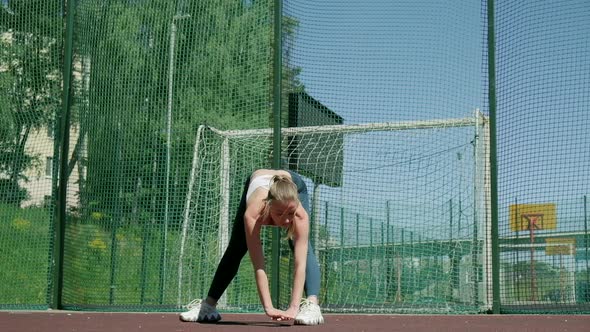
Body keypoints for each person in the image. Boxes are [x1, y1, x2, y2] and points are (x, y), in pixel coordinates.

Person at [180, 169, 324, 325]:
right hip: (256, 181)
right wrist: (268, 308)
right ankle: (208, 306)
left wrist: (293, 308)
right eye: (280, 213)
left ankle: (312, 305)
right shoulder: (253, 213)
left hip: (293, 183)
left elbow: (300, 264)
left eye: (290, 213)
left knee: (301, 247)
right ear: (268, 206)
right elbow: (259, 266)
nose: (287, 220)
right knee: (237, 245)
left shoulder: (299, 215)